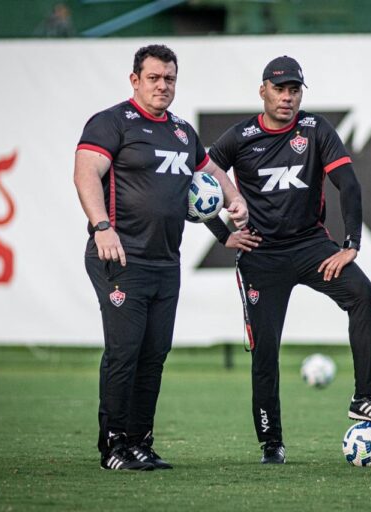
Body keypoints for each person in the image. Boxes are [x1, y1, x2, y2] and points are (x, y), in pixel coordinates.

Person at [204, 55, 371, 464]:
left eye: (294, 90)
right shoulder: (239, 137)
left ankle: (365, 397)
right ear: (263, 91)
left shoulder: (315, 129)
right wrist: (224, 235)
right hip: (260, 254)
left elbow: (349, 185)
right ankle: (271, 442)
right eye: (280, 89)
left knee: (362, 296)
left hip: (311, 246)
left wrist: (351, 245)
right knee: (265, 352)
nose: (287, 97)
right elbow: (197, 186)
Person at [74, 44, 248, 470]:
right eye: (153, 78)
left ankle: (140, 442)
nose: (162, 86)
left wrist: (233, 206)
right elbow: (85, 173)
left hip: (165, 262)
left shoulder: (182, 132)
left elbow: (209, 177)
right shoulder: (112, 122)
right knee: (125, 351)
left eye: (169, 78)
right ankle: (113, 445)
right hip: (120, 257)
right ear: (135, 80)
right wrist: (101, 226)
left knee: (153, 355)